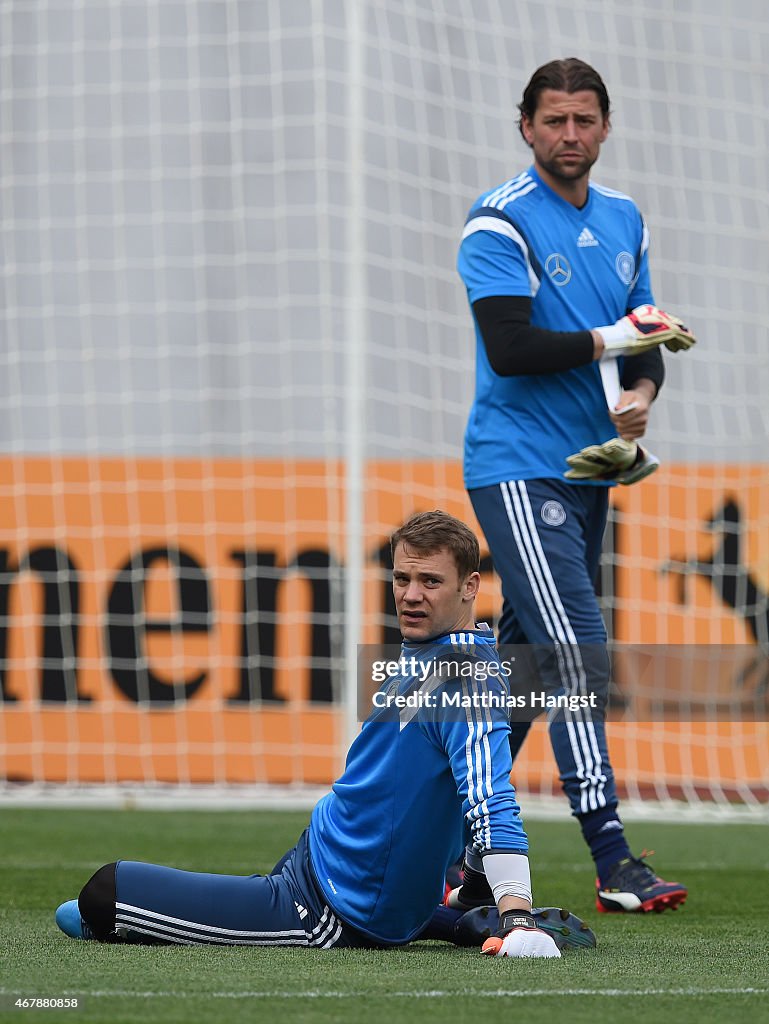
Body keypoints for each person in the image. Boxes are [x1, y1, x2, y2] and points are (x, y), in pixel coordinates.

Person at [55, 511, 593, 957]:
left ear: (470, 587)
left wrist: (518, 915)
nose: (410, 595)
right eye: (401, 578)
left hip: (324, 911)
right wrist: (474, 878)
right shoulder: (425, 652)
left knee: (105, 893)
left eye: (431, 582)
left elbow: (491, 800)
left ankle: (461, 920)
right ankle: (456, 922)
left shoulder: (465, 681)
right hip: (322, 859)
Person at [453, 58, 693, 914]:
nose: (568, 135)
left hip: (590, 470)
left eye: (582, 120)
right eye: (552, 120)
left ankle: (451, 843)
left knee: (518, 668)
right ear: (525, 126)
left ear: (604, 125)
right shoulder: (497, 223)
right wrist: (606, 342)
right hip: (516, 467)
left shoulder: (624, 217)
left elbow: (644, 335)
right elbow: (511, 349)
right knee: (573, 646)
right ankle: (612, 855)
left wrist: (640, 395)